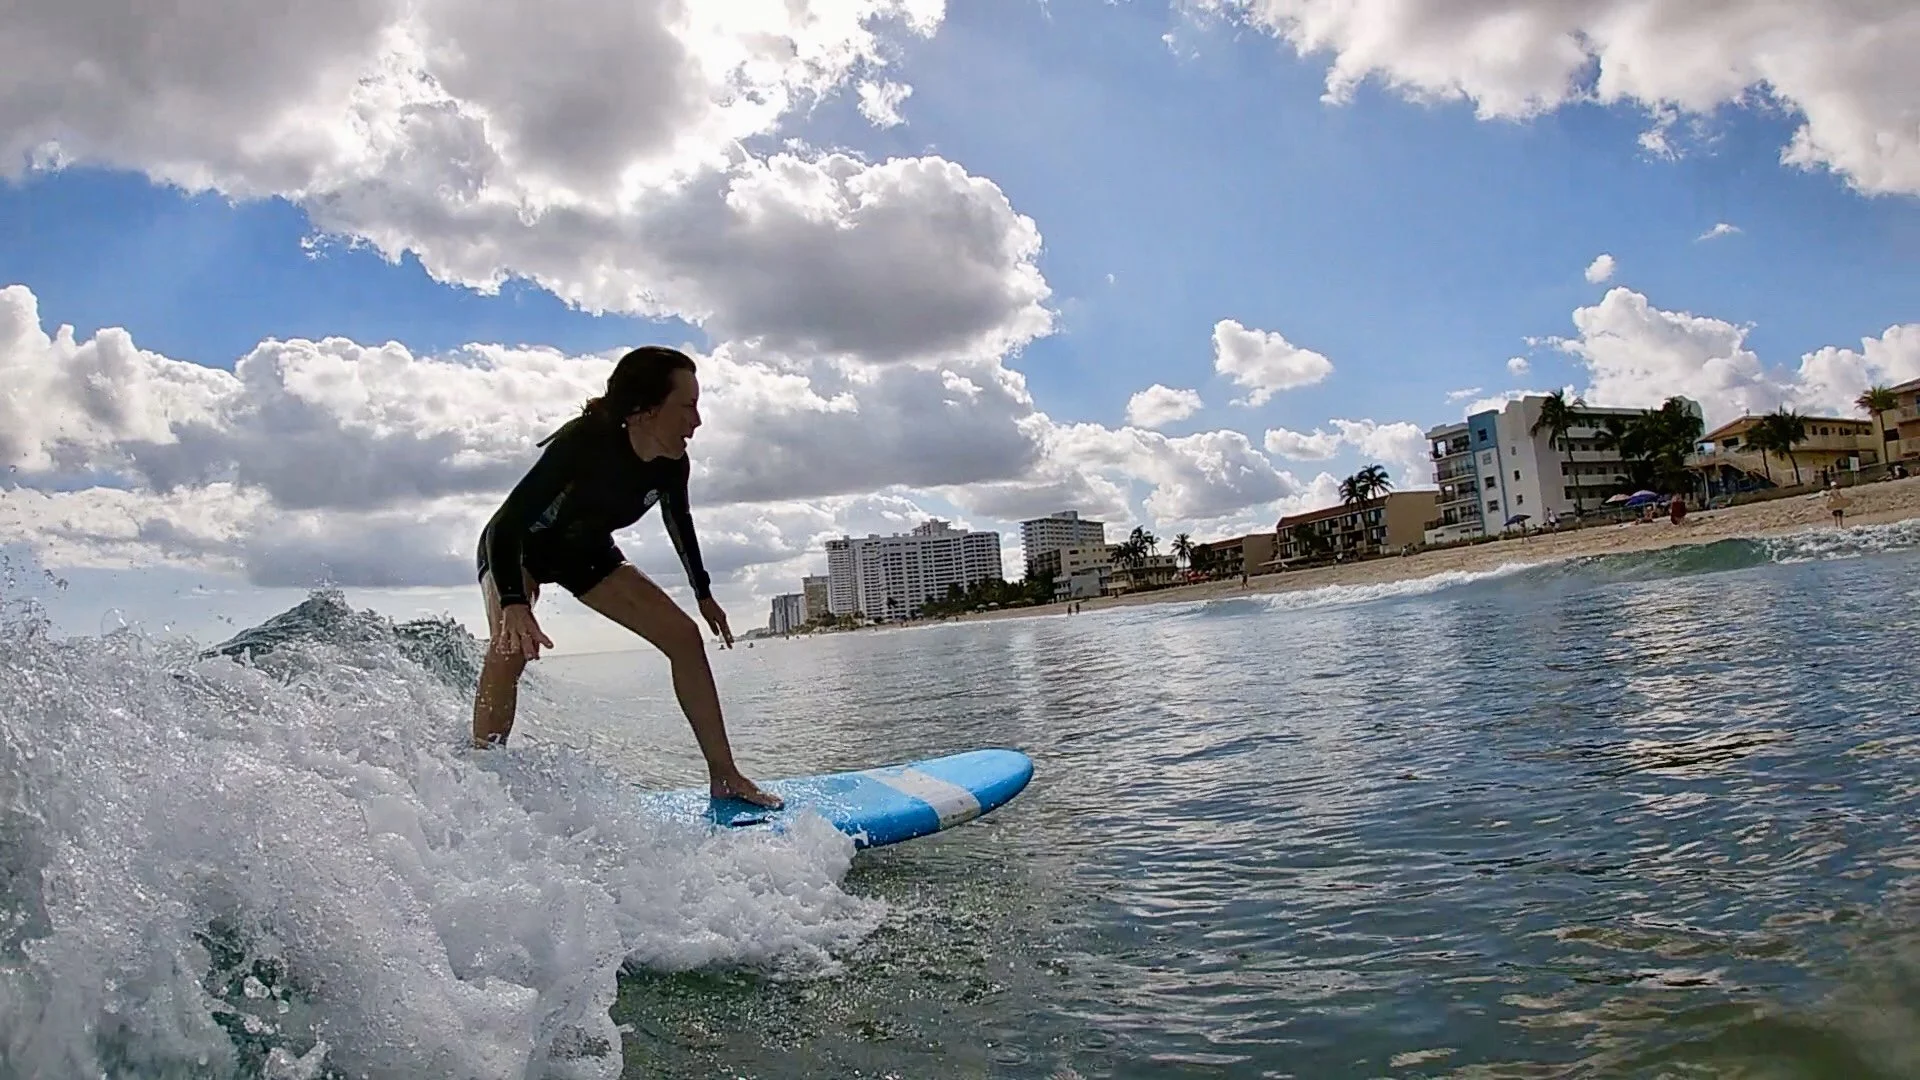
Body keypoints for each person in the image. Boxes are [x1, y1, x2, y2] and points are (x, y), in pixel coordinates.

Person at [471, 345, 782, 809]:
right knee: (510, 647)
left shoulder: (672, 462)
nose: (696, 422)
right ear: (645, 409)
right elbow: (508, 523)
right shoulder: (585, 442)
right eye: (688, 407)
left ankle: (725, 776)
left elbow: (680, 522)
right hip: (518, 550)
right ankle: (482, 777)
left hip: (586, 553)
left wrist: (703, 592)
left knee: (684, 637)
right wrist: (515, 602)